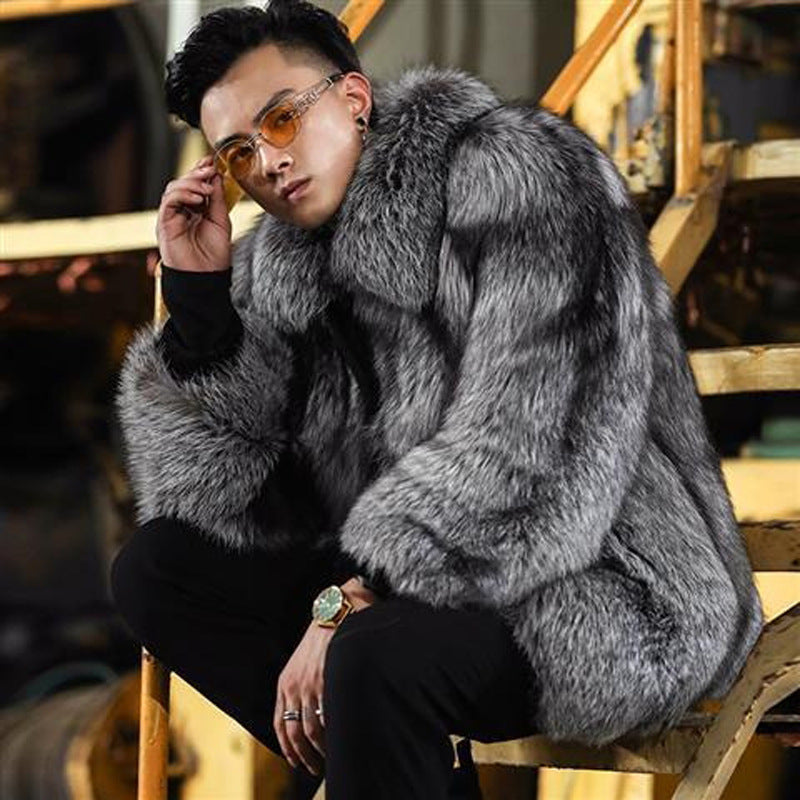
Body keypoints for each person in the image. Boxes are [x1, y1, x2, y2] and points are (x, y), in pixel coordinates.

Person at [109, 1, 764, 797]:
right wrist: (201, 307)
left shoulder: (520, 178)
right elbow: (224, 496)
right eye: (238, 151)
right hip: (409, 585)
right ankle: (390, 767)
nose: (269, 162)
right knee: (156, 569)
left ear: (354, 97)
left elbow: (529, 446)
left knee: (371, 654)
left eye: (282, 119)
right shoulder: (286, 260)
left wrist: (346, 603)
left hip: (595, 580)